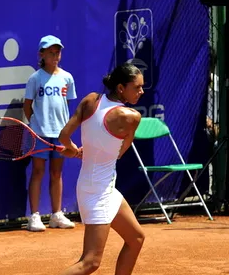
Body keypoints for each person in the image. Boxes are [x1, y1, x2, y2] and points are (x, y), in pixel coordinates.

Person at [58, 63, 146, 275]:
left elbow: (64, 137)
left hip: (97, 185)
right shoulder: (131, 117)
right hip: (98, 191)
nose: (141, 92)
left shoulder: (91, 100)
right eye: (137, 87)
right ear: (121, 88)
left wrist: (73, 150)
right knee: (90, 262)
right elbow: (118, 153)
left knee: (136, 238)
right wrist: (88, 151)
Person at [23, 35, 77, 232]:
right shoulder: (35, 78)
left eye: (58, 52)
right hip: (40, 133)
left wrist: (63, 130)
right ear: (41, 54)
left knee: (57, 173)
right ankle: (35, 216)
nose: (55, 55)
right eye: (51, 52)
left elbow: (66, 106)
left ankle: (56, 215)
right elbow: (27, 106)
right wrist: (37, 125)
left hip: (60, 134)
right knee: (38, 172)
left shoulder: (67, 78)